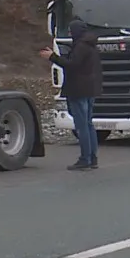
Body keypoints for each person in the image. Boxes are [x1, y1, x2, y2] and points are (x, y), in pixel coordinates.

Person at [40, 19, 103, 170]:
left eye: (70, 30)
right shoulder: (91, 46)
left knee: (81, 126)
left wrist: (52, 57)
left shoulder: (80, 46)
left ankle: (85, 158)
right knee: (88, 124)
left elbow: (72, 65)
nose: (69, 33)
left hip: (78, 89)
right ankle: (92, 157)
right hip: (90, 89)